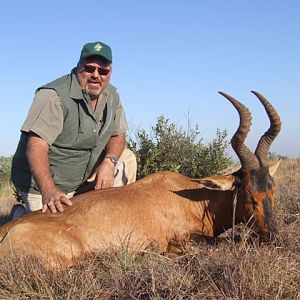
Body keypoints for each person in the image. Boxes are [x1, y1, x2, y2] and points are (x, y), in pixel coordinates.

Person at [11, 41, 137, 217]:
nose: (95, 75)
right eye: (89, 68)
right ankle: (20, 214)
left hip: (84, 177)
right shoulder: (53, 96)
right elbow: (36, 147)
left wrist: (109, 162)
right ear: (78, 67)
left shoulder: (113, 96)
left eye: (103, 71)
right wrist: (49, 192)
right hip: (46, 183)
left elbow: (118, 135)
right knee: (52, 233)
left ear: (110, 72)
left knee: (126, 158)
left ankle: (112, 214)